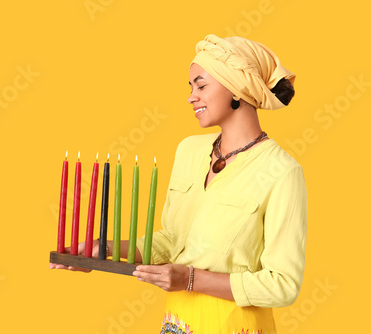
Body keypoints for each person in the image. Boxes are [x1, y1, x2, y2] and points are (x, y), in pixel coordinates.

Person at [50, 34, 308, 334]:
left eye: (201, 85)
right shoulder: (189, 151)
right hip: (178, 323)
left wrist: (190, 279)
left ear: (236, 86)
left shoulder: (282, 172)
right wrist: (103, 249)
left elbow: (283, 285)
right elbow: (171, 242)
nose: (191, 96)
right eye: (191, 88)